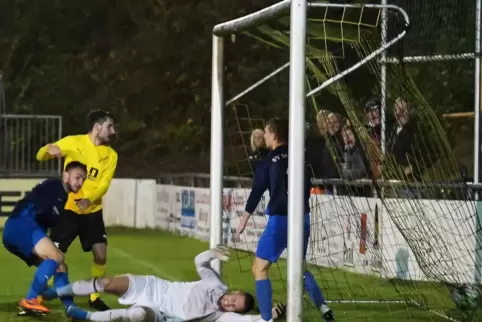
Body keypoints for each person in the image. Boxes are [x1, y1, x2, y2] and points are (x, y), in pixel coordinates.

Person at [235, 117, 335, 322]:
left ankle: (266, 319)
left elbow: (256, 192)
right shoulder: (301, 156)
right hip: (303, 217)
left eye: (266, 132)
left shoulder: (268, 161)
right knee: (300, 268)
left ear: (273, 133)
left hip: (281, 220)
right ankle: (324, 308)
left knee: (259, 269)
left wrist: (244, 219)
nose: (265, 135)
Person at [41, 246, 287, 322]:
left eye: (235, 306)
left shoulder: (222, 317)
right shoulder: (216, 285)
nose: (230, 303)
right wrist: (212, 253)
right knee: (106, 283)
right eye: (235, 298)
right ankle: (56, 291)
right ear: (234, 291)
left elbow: (252, 321)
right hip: (153, 287)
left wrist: (273, 315)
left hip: (160, 313)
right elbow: (199, 262)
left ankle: (82, 315)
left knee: (135, 316)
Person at [36, 109, 118, 311]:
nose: (113, 131)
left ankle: (94, 296)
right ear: (98, 127)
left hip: (92, 211)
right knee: (53, 254)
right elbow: (40, 155)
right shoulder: (74, 142)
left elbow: (104, 184)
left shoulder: (111, 155)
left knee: (100, 254)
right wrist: (48, 149)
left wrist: (90, 199)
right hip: (69, 209)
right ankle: (38, 295)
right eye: (110, 126)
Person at [2, 161, 88, 316]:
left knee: (61, 266)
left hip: (19, 229)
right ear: (66, 176)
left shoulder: (61, 195)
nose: (80, 182)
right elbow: (41, 210)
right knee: (56, 256)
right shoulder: (54, 186)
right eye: (78, 177)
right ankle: (31, 299)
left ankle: (70, 308)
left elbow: (46, 216)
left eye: (83, 179)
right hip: (21, 225)